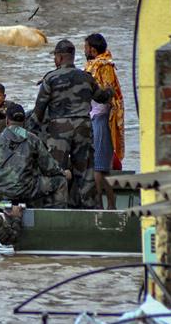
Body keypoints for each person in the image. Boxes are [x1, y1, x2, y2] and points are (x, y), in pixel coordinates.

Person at [32, 39, 113, 209]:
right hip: (83, 127)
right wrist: (110, 91)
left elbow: (39, 110)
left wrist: (32, 133)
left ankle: (56, 208)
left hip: (59, 130)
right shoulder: (86, 77)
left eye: (55, 57)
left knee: (56, 170)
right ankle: (89, 209)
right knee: (85, 171)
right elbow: (101, 97)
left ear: (60, 58)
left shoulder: (50, 79)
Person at [0, 104, 70, 208]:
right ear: (24, 122)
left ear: (7, 120)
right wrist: (64, 173)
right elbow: (50, 168)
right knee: (61, 181)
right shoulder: (32, 139)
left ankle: (3, 204)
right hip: (25, 191)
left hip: (0, 192)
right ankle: (54, 216)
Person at [84, 33, 124, 209]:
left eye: (85, 47)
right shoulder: (97, 65)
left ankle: (105, 205)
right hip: (95, 117)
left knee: (99, 168)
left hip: (101, 119)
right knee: (99, 167)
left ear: (92, 49)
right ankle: (108, 204)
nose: (84, 50)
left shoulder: (103, 66)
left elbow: (108, 95)